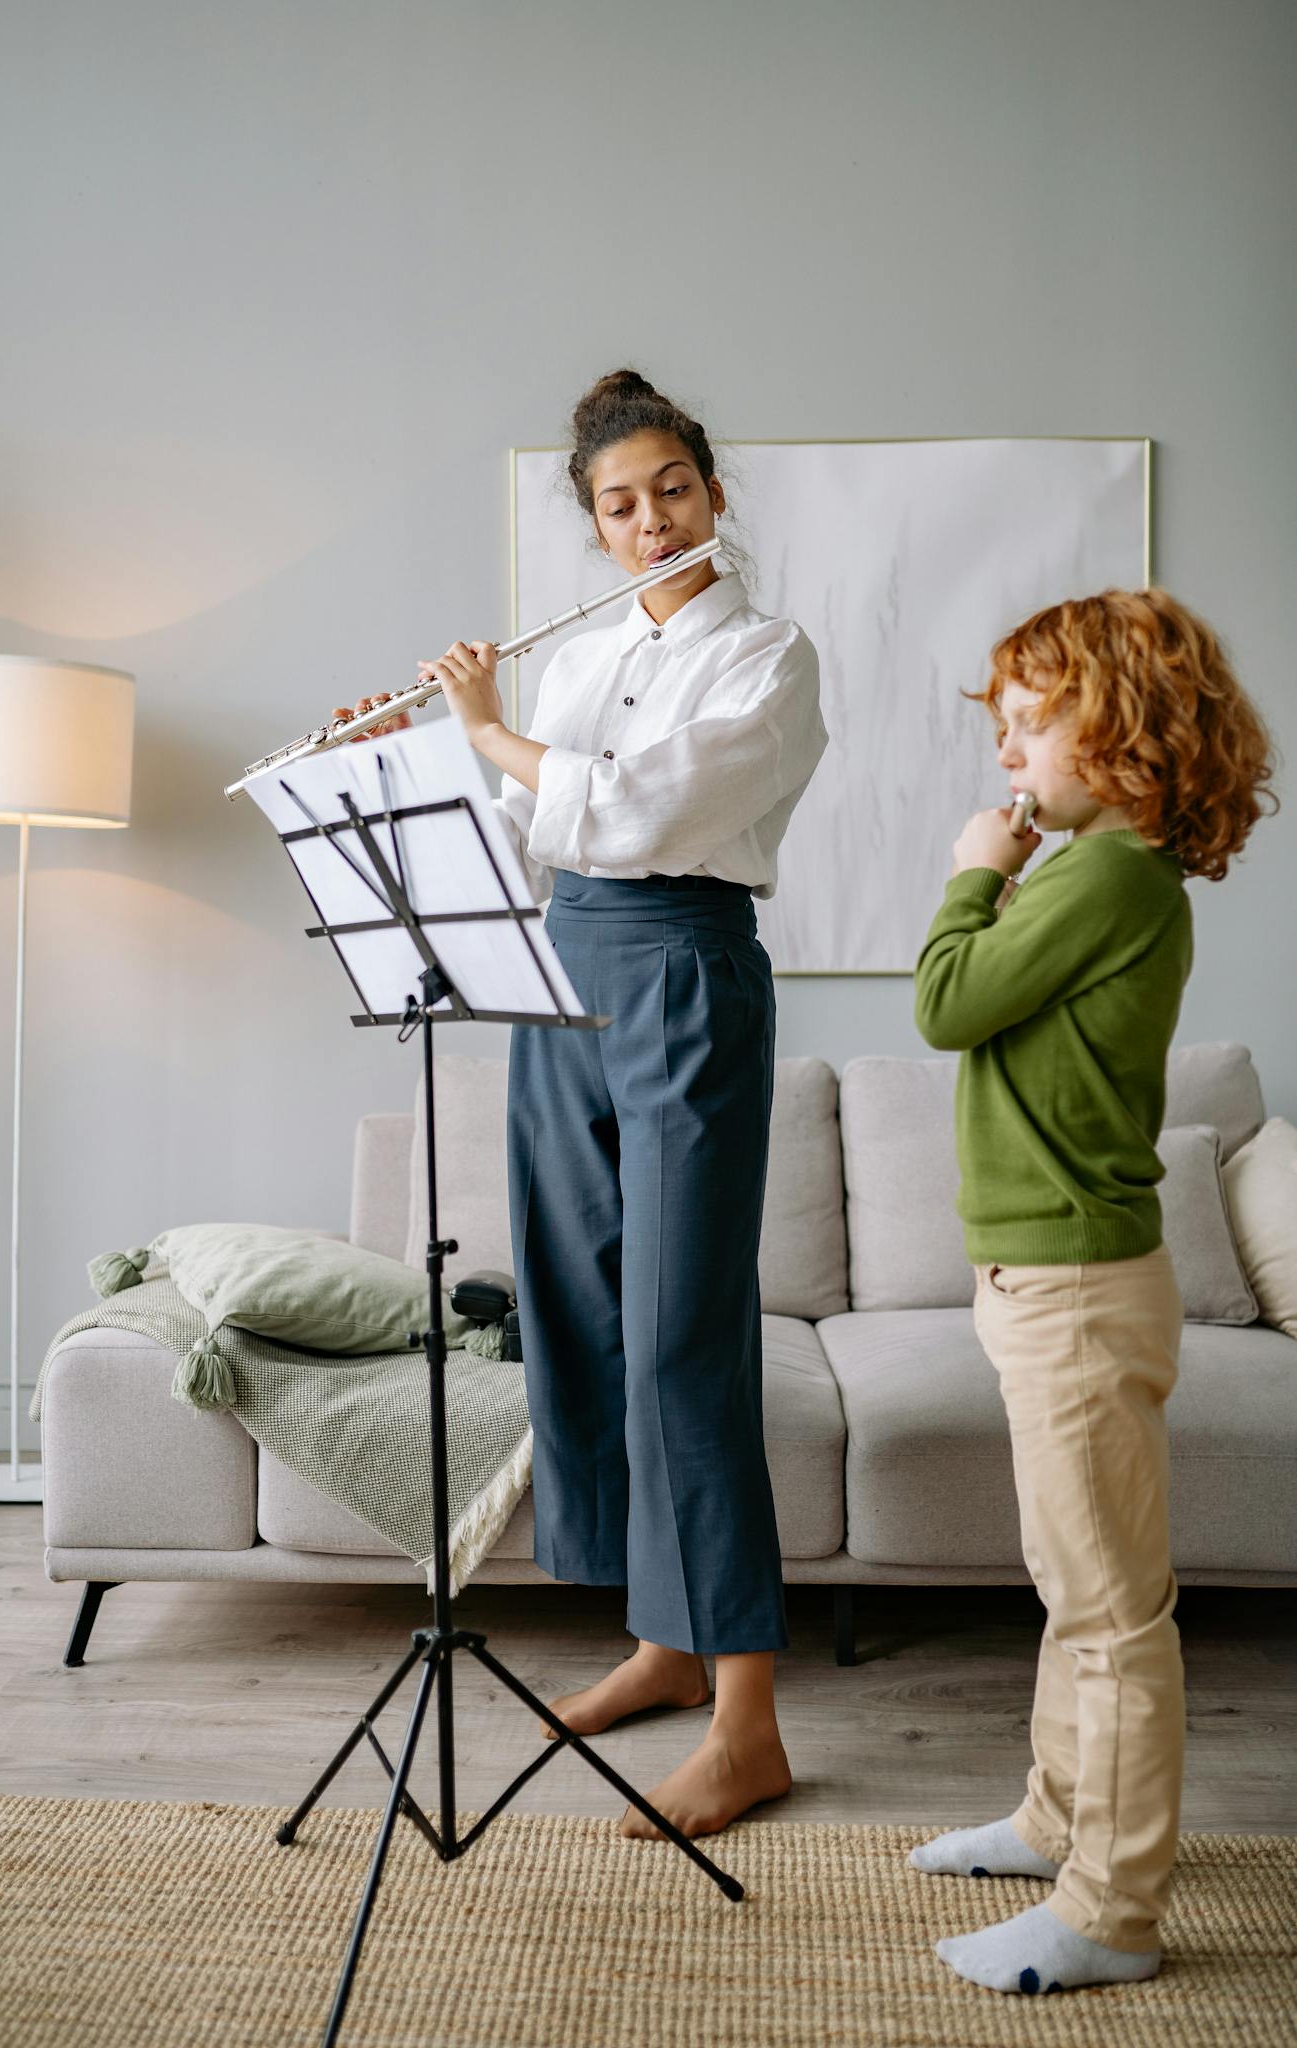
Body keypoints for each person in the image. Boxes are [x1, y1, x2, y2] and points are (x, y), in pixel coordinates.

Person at [338, 368, 828, 1839]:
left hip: (681, 967)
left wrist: (488, 732)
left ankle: (748, 1726)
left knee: (681, 1337)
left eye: (671, 487)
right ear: (593, 521)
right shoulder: (581, 659)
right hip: (563, 973)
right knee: (577, 1308)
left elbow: (638, 806)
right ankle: (664, 1650)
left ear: (714, 494)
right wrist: (404, 760)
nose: (647, 517)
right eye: (618, 502)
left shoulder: (770, 654)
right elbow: (520, 829)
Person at [910, 588, 1277, 1993]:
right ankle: (1054, 1820)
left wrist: (966, 873)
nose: (1007, 758)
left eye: (1027, 726)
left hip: (1070, 1284)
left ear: (1114, 729)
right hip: (1049, 1277)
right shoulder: (1097, 874)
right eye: (1000, 732)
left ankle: (1109, 1912)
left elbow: (946, 1003)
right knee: (1073, 1588)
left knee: (1112, 1614)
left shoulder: (1104, 877)